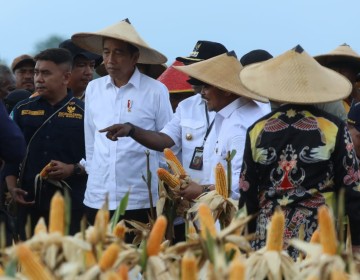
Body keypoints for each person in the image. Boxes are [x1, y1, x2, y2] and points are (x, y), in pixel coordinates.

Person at [238, 45, 360, 258]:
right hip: (318, 237)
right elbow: (352, 187)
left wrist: (244, 241)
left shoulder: (257, 130)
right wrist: (357, 242)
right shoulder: (333, 128)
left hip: (268, 237)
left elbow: (247, 191)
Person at [71, 19, 173, 234]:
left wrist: (165, 186)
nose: (110, 59)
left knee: (140, 262)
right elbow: (91, 140)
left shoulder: (156, 90)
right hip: (99, 195)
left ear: (134, 57)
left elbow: (168, 141)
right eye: (106, 52)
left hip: (141, 195)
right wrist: (94, 174)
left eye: (118, 53)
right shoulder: (94, 89)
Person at [98, 40, 228, 186]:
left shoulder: (244, 110)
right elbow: (164, 140)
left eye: (198, 69)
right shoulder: (187, 107)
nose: (191, 74)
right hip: (192, 201)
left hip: (231, 201)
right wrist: (131, 130)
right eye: (190, 67)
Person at [3, 48, 87, 238]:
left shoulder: (85, 113)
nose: (38, 79)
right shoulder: (22, 109)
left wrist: (72, 168)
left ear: (66, 78)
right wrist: (11, 187)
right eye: (36, 72)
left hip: (71, 205)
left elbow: (98, 157)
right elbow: (10, 153)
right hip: (29, 203)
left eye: (46, 73)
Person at [314, 43, 360, 112]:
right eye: (333, 69)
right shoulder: (322, 102)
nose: (338, 73)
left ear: (355, 71)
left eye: (344, 69)